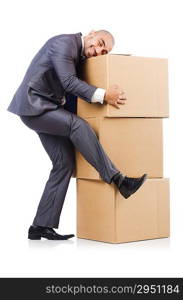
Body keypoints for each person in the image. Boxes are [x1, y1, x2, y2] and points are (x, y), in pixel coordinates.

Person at [7, 30, 147, 241]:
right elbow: (69, 83)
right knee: (78, 127)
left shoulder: (80, 55)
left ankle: (40, 226)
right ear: (90, 34)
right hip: (35, 105)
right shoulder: (65, 43)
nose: (99, 50)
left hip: (44, 107)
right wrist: (104, 95)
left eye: (104, 51)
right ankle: (119, 180)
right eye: (100, 43)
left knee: (64, 164)